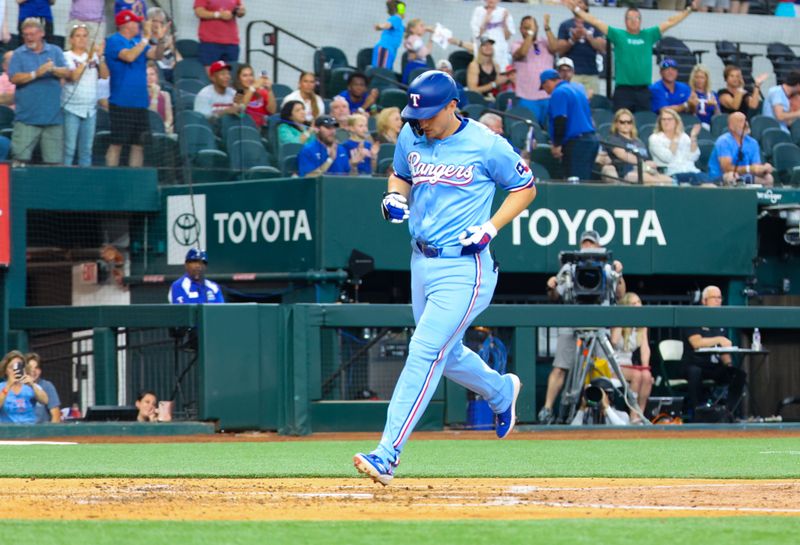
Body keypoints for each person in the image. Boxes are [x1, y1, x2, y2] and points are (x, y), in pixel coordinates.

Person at [353, 70, 535, 486]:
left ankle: (387, 453)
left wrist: (491, 227)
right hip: (420, 260)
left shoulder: (486, 143)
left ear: (453, 105)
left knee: (424, 350)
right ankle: (501, 392)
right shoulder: (411, 134)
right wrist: (394, 196)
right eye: (415, 114)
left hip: (464, 266)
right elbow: (400, 173)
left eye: (429, 114)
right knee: (445, 353)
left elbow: (524, 188)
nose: (421, 122)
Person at [538, 230, 625, 425]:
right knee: (560, 366)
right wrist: (551, 285)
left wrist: (619, 274)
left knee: (602, 369)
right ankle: (548, 409)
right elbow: (555, 296)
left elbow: (620, 294)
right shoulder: (570, 267)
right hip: (572, 320)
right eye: (584, 243)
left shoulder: (607, 266)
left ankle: (607, 411)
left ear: (598, 245)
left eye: (591, 243)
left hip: (598, 322)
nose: (587, 247)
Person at [563, 1, 691, 113]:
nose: (633, 20)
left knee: (644, 123)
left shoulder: (648, 35)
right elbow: (596, 21)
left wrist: (689, 10)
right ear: (625, 21)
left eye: (636, 18)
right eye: (630, 18)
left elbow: (670, 22)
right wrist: (577, 9)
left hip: (644, 91)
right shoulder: (618, 35)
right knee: (620, 125)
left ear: (640, 21)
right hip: (623, 91)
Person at [105, 9, 165, 168]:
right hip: (121, 101)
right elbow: (129, 56)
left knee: (138, 144)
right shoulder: (114, 41)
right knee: (117, 143)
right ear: (125, 24)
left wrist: (161, 40)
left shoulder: (137, 41)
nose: (139, 24)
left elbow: (157, 55)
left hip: (140, 102)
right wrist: (146, 38)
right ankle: (110, 176)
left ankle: (133, 178)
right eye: (135, 21)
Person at [8, 18, 70, 165]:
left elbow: (67, 73)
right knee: (19, 161)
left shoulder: (55, 51)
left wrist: (53, 69)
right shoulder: (18, 54)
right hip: (26, 119)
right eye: (26, 35)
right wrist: (37, 73)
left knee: (54, 163)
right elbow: (14, 78)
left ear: (41, 33)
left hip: (53, 118)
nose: (29, 38)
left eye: (32, 34)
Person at [682, 285, 747, 419]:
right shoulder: (692, 317)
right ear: (704, 301)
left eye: (720, 298)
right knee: (695, 372)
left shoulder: (719, 320)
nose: (718, 301)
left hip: (713, 367)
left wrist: (729, 365)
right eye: (714, 298)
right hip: (694, 364)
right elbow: (696, 343)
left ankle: (729, 412)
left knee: (738, 374)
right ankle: (698, 412)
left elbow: (723, 351)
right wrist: (719, 339)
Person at [540, 68, 598, 181]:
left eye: (544, 87)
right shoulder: (578, 88)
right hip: (591, 140)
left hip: (576, 143)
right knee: (584, 180)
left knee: (574, 182)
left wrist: (557, 144)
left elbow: (560, 120)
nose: (546, 91)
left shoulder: (559, 92)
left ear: (547, 82)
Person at [63, 24, 108, 166]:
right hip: (71, 108)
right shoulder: (66, 56)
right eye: (78, 36)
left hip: (90, 109)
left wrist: (100, 58)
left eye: (84, 36)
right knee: (69, 149)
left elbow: (105, 75)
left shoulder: (94, 57)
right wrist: (86, 60)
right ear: (71, 39)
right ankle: (64, 179)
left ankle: (84, 183)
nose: (82, 39)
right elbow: (74, 76)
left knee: (86, 150)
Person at [609, 292, 652, 424]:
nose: (638, 306)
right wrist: (623, 317)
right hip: (613, 363)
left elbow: (645, 348)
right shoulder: (619, 321)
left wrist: (646, 367)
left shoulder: (641, 325)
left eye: (639, 302)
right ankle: (632, 414)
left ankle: (639, 415)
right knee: (637, 376)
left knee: (646, 376)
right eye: (633, 304)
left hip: (628, 365)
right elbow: (614, 341)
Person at [601, 108, 673, 185]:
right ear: (616, 124)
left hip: (646, 170)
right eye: (622, 122)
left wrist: (650, 164)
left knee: (668, 180)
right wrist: (643, 163)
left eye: (629, 122)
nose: (626, 125)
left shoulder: (639, 142)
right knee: (650, 179)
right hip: (627, 172)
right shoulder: (613, 139)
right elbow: (623, 155)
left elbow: (647, 158)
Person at [511, 15, 557, 125]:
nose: (530, 29)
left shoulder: (545, 43)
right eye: (526, 27)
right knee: (530, 131)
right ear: (520, 29)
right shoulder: (516, 45)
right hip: (527, 98)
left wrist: (547, 28)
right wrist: (530, 33)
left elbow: (555, 48)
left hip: (548, 96)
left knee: (551, 130)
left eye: (532, 27)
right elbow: (522, 53)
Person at [707, 111, 774, 186]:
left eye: (746, 120)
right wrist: (749, 169)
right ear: (731, 127)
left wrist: (763, 169)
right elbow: (726, 168)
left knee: (768, 178)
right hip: (720, 177)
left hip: (744, 177)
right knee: (731, 176)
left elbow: (755, 167)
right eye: (741, 121)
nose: (746, 124)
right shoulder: (723, 141)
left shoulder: (753, 142)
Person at [556, 0, 606, 97]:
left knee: (593, 105)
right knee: (572, 102)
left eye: (580, 2)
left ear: (586, 6)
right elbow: (560, 51)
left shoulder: (595, 25)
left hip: (591, 73)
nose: (577, 5)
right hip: (572, 74)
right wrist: (573, 39)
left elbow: (602, 48)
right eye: (575, 2)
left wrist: (587, 35)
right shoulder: (565, 25)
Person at [649, 108, 709, 185]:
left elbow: (693, 157)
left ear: (676, 122)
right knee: (702, 182)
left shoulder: (684, 136)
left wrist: (693, 137)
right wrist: (675, 139)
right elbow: (667, 158)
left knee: (709, 182)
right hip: (672, 173)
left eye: (669, 119)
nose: (666, 122)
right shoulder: (655, 138)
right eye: (663, 120)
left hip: (691, 170)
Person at [0, 350, 48, 424]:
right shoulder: (1, 386)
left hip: (29, 428)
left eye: (18, 366)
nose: (14, 370)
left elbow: (45, 400)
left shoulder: (29, 385)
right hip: (8, 430)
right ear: (6, 370)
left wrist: (32, 385)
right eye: (11, 367)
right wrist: (8, 386)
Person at [193, 0, 245, 67]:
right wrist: (218, 15)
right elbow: (199, 12)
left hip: (232, 42)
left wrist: (241, 11)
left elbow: (241, 10)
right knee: (210, 73)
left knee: (231, 72)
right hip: (210, 42)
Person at [470, 0, 514, 68]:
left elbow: (507, 37)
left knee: (501, 70)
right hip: (483, 51)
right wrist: (485, 21)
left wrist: (504, 21)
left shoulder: (504, 11)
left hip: (500, 50)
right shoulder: (478, 10)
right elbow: (477, 35)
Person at [232, 63, 277, 129]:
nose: (249, 78)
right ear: (239, 78)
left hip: (263, 128)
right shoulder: (238, 92)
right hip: (246, 128)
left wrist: (269, 90)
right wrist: (252, 88)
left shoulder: (261, 91)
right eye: (245, 76)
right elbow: (240, 109)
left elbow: (272, 111)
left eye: (251, 75)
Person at [25, 352, 61, 423]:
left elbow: (56, 415)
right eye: (30, 368)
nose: (33, 371)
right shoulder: (18, 386)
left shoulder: (47, 386)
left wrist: (51, 432)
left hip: (41, 431)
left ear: (40, 370)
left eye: (37, 368)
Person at [147, 6, 180, 83]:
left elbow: (179, 58)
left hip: (172, 70)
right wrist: (164, 44)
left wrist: (175, 62)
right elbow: (153, 54)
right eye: (155, 20)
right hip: (157, 71)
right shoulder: (146, 37)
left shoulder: (167, 38)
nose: (158, 24)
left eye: (161, 22)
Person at [372, 0, 405, 70]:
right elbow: (388, 25)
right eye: (403, 10)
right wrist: (380, 26)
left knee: (386, 71)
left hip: (390, 50)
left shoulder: (400, 24)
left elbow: (409, 30)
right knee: (380, 71)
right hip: (385, 48)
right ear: (400, 10)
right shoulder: (397, 18)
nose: (404, 13)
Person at [401, 18, 433, 84]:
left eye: (424, 26)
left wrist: (431, 38)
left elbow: (427, 53)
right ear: (412, 29)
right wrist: (427, 29)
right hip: (415, 66)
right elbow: (421, 53)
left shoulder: (418, 39)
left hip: (421, 65)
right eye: (421, 26)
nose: (424, 28)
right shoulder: (413, 38)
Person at [687, 64, 717, 130]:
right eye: (696, 77)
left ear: (706, 79)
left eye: (702, 77)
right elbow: (689, 114)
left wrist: (715, 105)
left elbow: (718, 116)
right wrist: (693, 104)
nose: (699, 80)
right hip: (692, 126)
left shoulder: (712, 94)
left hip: (709, 127)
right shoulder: (689, 93)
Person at [146, 61, 172, 134]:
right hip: (147, 130)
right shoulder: (139, 95)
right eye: (146, 75)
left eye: (152, 74)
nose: (149, 77)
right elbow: (151, 117)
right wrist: (155, 96)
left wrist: (165, 127)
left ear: (157, 76)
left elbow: (169, 118)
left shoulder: (166, 95)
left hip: (163, 130)